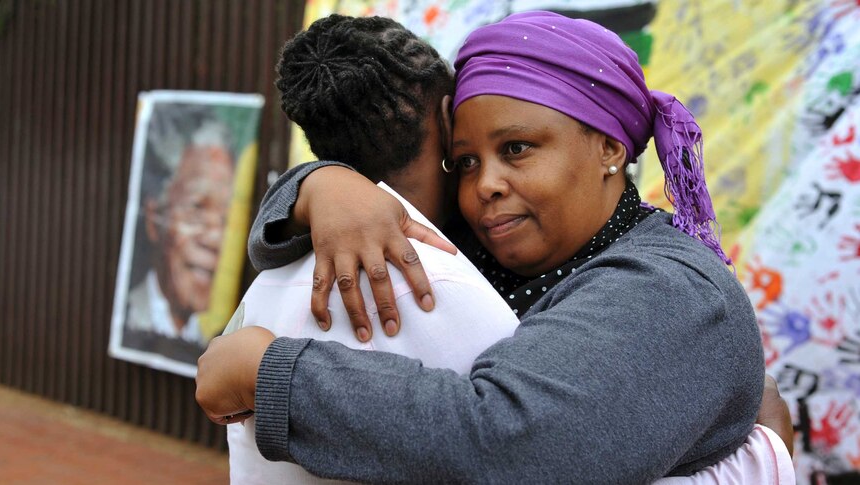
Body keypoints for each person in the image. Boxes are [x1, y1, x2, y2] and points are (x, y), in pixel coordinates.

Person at [199, 12, 786, 483]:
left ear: (609, 148)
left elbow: (514, 444)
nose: (484, 185)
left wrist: (272, 375)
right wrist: (319, 186)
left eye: (519, 148)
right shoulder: (492, 245)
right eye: (467, 161)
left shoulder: (669, 287)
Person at [226, 15, 519, 484]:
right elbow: (522, 442)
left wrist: (317, 183)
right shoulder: (452, 287)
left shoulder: (271, 281)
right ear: (448, 117)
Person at [126, 119, 233, 349]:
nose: (215, 239)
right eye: (197, 207)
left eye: (225, 219)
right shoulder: (129, 316)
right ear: (155, 220)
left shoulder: (219, 341)